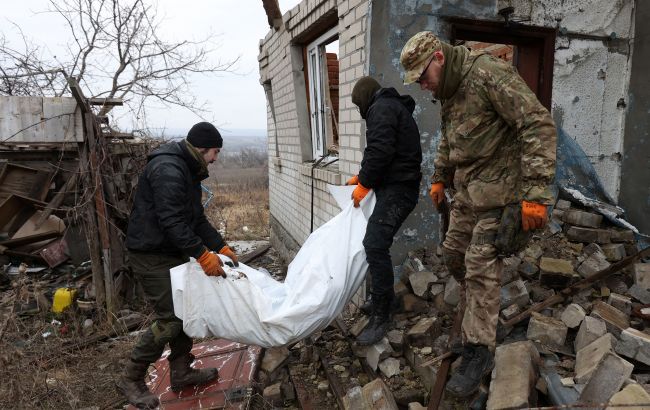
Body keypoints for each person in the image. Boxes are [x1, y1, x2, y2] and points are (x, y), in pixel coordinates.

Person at [400, 32, 556, 398]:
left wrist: (535, 195)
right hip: (470, 193)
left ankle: (479, 350)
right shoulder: (449, 90)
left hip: (503, 195)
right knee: (454, 255)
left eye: (423, 76)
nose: (422, 85)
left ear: (439, 57)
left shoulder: (488, 75)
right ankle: (479, 321)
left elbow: (537, 124)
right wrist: (440, 178)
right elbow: (449, 138)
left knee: (480, 267)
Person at [116, 122, 239, 408]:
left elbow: (195, 219)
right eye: (215, 152)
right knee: (171, 319)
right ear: (202, 148)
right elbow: (171, 220)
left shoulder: (187, 169)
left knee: (186, 310)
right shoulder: (168, 169)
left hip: (168, 251)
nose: (216, 159)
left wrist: (219, 246)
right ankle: (131, 378)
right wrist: (202, 254)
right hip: (150, 254)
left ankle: (181, 371)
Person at [347, 76, 422, 346]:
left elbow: (380, 150)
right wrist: (361, 175)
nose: (360, 111)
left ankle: (382, 313)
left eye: (359, 106)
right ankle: (384, 299)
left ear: (366, 99)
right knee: (376, 243)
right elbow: (377, 151)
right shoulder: (388, 107)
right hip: (397, 187)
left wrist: (365, 183)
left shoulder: (381, 109)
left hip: (399, 190)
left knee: (375, 244)